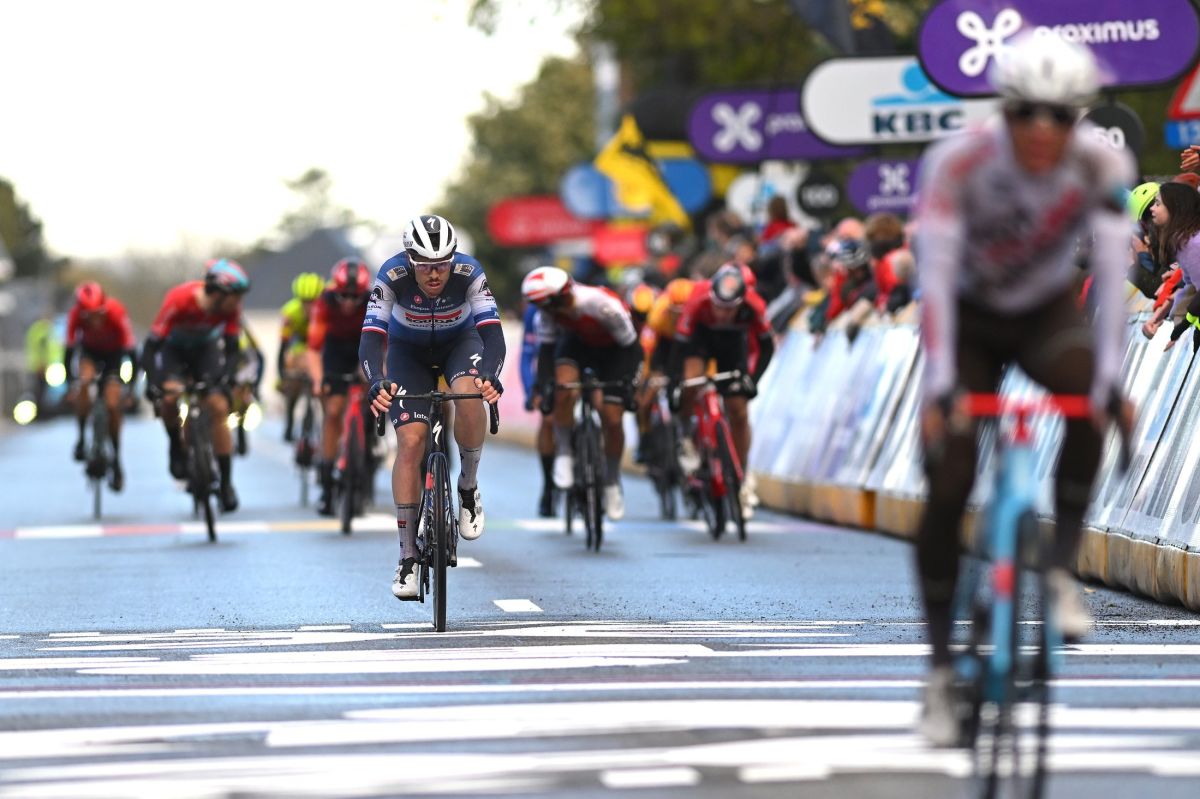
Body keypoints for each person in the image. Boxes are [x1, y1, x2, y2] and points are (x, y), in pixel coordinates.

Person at [912, 34, 1135, 746]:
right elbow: (934, 279)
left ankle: (1061, 570)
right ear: (1003, 110)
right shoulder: (958, 161)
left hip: (1044, 311)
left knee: (1089, 399)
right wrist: (939, 386)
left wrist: (1111, 380)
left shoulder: (1101, 163)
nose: (1042, 130)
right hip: (968, 318)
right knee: (949, 481)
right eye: (1026, 113)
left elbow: (1113, 273)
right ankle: (940, 672)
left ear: (1079, 118)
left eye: (1060, 115)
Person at [361, 215, 504, 600]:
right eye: (424, 265)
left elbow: (493, 335)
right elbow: (371, 338)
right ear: (410, 260)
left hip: (461, 344)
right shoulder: (391, 275)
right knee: (411, 442)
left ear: (453, 258)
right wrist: (376, 381)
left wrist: (489, 375)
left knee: (470, 395)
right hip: (408, 352)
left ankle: (468, 487)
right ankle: (407, 555)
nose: (435, 273)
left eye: (442, 264)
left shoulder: (470, 272)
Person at [521, 265, 641, 521]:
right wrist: (546, 387)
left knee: (612, 417)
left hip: (614, 351)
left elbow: (631, 347)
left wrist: (629, 384)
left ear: (560, 298)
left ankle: (611, 480)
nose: (544, 312)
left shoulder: (602, 304)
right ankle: (564, 451)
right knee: (563, 388)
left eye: (545, 306)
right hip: (575, 345)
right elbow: (546, 353)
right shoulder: (548, 314)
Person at [141, 258, 251, 512]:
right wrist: (154, 383)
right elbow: (151, 347)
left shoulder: (231, 309)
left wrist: (225, 379)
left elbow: (232, 349)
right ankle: (175, 446)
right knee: (169, 399)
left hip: (205, 351)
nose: (238, 302)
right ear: (218, 293)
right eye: (235, 296)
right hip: (174, 351)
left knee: (218, 407)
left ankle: (226, 483)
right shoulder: (179, 299)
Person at [673, 263, 775, 515]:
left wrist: (753, 380)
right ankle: (686, 436)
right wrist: (678, 383)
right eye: (718, 306)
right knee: (692, 380)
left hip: (732, 343)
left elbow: (767, 347)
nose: (722, 313)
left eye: (730, 309)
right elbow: (680, 345)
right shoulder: (698, 299)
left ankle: (741, 473)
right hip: (700, 338)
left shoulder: (753, 305)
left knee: (738, 409)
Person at [309, 257, 373, 516]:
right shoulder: (325, 301)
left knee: (372, 399)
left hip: (365, 345)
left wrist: (375, 374)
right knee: (333, 410)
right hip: (335, 350)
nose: (348, 302)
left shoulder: (373, 301)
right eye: (343, 295)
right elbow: (314, 349)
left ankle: (369, 453)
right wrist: (318, 380)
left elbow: (386, 343)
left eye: (354, 296)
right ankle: (327, 484)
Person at [64, 282, 137, 491]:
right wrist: (71, 385)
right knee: (84, 382)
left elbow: (132, 354)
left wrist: (130, 389)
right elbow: (68, 353)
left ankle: (117, 459)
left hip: (114, 356)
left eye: (98, 315)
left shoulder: (117, 312)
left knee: (113, 404)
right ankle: (81, 438)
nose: (95, 321)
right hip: (90, 353)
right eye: (89, 316)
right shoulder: (75, 316)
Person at [520, 299, 557, 517]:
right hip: (547, 362)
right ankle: (549, 486)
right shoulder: (533, 312)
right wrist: (530, 391)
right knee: (548, 418)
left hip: (574, 355)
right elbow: (527, 354)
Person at [278, 272, 325, 441]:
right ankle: (290, 419)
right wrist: (282, 373)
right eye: (305, 302)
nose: (309, 307)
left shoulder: (326, 310)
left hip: (320, 345)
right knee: (295, 363)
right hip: (300, 344)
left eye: (313, 302)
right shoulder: (290, 312)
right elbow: (283, 346)